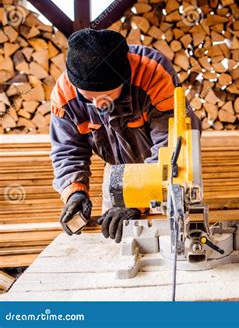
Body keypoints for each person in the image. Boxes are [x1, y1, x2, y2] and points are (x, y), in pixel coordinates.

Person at [50, 28, 200, 242]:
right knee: (115, 242)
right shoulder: (64, 94)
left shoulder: (154, 74)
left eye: (106, 96)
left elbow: (169, 147)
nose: (97, 105)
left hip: (165, 176)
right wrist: (75, 192)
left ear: (124, 77)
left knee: (169, 242)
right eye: (87, 98)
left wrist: (137, 198)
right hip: (116, 176)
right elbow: (66, 151)